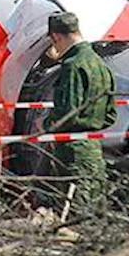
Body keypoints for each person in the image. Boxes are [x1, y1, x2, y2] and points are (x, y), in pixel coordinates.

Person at [45, 11, 117, 208]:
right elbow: (111, 115)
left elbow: (67, 113)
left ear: (56, 37)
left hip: (72, 152)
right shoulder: (100, 64)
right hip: (94, 151)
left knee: (71, 217)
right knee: (92, 216)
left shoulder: (72, 66)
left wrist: (46, 125)